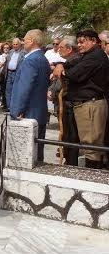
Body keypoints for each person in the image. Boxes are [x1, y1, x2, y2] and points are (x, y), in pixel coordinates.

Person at [54, 29, 109, 169]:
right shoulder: (86, 55)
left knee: (92, 147)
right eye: (78, 42)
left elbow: (75, 74)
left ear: (94, 41)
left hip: (91, 105)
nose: (79, 45)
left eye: (83, 42)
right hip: (84, 105)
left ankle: (92, 178)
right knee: (87, 144)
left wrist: (63, 70)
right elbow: (71, 63)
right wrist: (61, 65)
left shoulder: (95, 56)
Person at [10, 29, 51, 162]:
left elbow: (24, 87)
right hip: (39, 111)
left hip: (29, 112)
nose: (23, 42)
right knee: (37, 152)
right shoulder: (42, 58)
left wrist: (18, 110)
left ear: (32, 41)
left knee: (26, 155)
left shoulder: (31, 60)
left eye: (25, 40)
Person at [56, 36, 80, 166]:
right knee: (67, 136)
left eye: (61, 47)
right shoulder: (68, 62)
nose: (58, 50)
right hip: (67, 103)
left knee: (71, 137)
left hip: (71, 104)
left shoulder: (75, 61)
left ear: (70, 49)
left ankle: (71, 164)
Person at [4, 38, 25, 111]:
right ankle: (9, 107)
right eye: (14, 44)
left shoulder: (23, 52)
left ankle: (15, 107)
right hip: (9, 73)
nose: (15, 46)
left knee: (16, 90)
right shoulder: (10, 52)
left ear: (19, 44)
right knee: (8, 90)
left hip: (17, 73)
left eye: (16, 44)